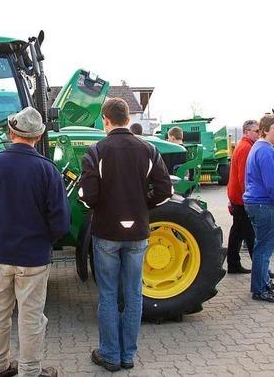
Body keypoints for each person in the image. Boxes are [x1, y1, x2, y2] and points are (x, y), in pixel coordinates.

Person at [0, 107, 69, 377]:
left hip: (1, 254)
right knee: (31, 317)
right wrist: (44, 239)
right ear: (37, 137)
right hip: (33, 258)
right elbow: (61, 220)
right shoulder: (47, 170)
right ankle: (29, 371)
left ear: (10, 132)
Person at [79, 98, 173, 372]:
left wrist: (102, 207)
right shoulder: (149, 149)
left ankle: (110, 354)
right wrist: (143, 205)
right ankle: (128, 354)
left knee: (108, 294)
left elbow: (88, 196)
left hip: (106, 232)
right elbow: (165, 190)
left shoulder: (96, 151)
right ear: (127, 118)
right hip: (138, 235)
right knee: (133, 294)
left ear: (105, 120)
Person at [243, 115, 274, 303]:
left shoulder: (258, 148)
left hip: (256, 202)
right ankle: (261, 289)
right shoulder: (267, 152)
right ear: (265, 130)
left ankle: (262, 282)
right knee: (264, 250)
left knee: (261, 246)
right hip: (266, 204)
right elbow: (273, 184)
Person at [226, 120, 259, 273]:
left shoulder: (243, 146)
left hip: (236, 195)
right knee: (250, 234)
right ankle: (261, 268)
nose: (258, 134)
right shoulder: (246, 148)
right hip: (241, 197)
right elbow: (244, 177)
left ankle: (233, 264)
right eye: (256, 131)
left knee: (237, 232)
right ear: (247, 132)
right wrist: (249, 197)